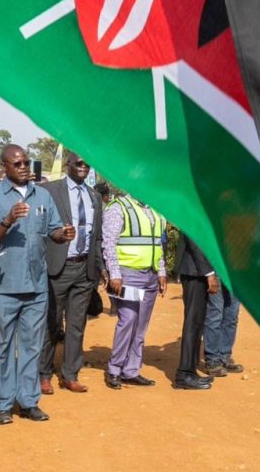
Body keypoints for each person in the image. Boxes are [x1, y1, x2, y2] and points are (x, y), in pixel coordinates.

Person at [0, 145, 68, 425]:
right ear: (5, 166)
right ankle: (2, 404)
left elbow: (53, 230)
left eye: (27, 162)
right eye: (18, 163)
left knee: (31, 346)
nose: (24, 167)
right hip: (3, 286)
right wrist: (8, 219)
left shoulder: (43, 194)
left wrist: (63, 234)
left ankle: (28, 401)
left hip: (36, 286)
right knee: (0, 345)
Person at [41, 152, 100, 395]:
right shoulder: (50, 191)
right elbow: (40, 225)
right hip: (58, 267)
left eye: (87, 164)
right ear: (68, 165)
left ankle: (70, 375)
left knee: (77, 324)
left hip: (84, 269)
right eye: (79, 164)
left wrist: (99, 268)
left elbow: (96, 235)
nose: (83, 168)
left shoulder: (94, 196)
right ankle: (43, 374)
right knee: (52, 323)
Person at [100, 182, 166, 388]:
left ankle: (131, 370)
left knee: (141, 325)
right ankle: (114, 368)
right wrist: (115, 274)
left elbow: (158, 244)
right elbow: (108, 242)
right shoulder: (118, 207)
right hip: (128, 274)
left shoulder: (156, 209)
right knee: (128, 320)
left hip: (150, 276)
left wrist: (162, 272)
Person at [165, 220, 218, 391]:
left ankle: (191, 371)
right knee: (192, 323)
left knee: (197, 323)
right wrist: (209, 273)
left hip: (198, 272)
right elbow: (195, 242)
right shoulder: (194, 209)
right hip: (195, 272)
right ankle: (184, 374)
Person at [202, 275, 244, 378]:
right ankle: (212, 361)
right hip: (216, 270)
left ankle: (224, 357)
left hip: (235, 272)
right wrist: (210, 274)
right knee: (215, 314)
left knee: (232, 316)